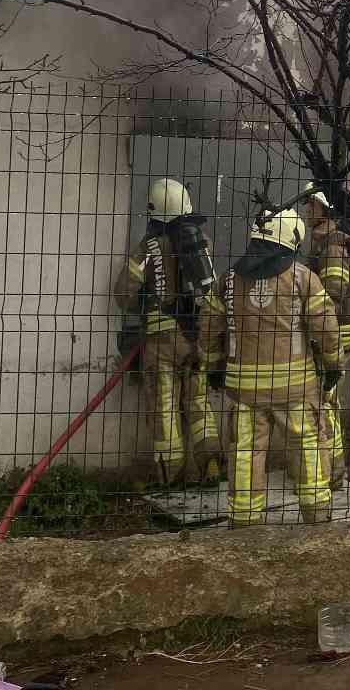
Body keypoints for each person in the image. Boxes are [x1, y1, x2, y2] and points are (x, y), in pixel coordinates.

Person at [202, 207, 342, 526]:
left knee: (245, 453)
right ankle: (317, 515)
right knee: (307, 447)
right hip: (296, 390)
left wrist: (213, 368)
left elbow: (209, 329)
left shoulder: (228, 281)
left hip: (245, 392)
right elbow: (326, 328)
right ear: (290, 240)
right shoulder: (304, 279)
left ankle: (244, 520)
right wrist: (334, 364)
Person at [112, 177, 223, 487]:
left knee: (164, 408)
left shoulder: (147, 248)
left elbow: (122, 294)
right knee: (198, 402)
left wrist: (146, 300)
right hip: (196, 338)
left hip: (161, 344)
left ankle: (170, 475)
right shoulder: (201, 242)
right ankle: (211, 462)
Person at [302, 183, 350, 488]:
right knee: (325, 401)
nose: (305, 209)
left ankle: (333, 472)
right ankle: (331, 469)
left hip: (331, 336)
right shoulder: (325, 243)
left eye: (310, 203)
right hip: (329, 334)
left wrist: (318, 336)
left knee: (324, 402)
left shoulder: (333, 247)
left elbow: (332, 299)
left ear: (325, 208)